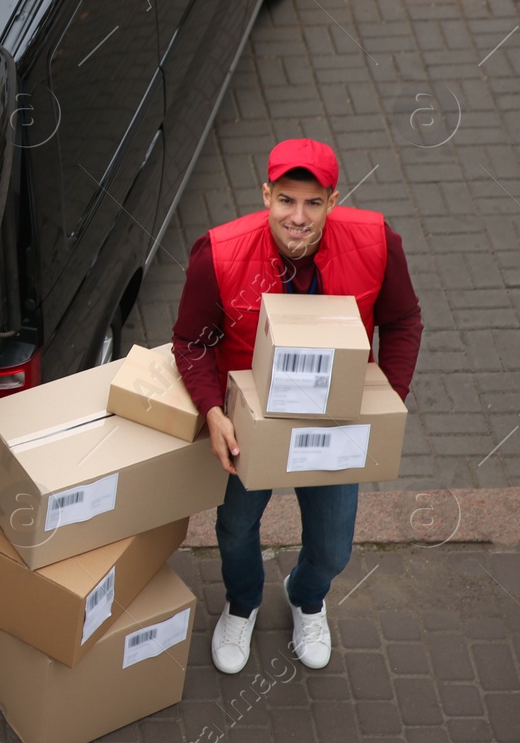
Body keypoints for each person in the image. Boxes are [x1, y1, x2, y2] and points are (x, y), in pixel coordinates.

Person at [171, 139, 422, 673]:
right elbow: (191, 341)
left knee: (333, 549)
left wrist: (387, 401)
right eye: (286, 200)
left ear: (333, 200)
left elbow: (403, 322)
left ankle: (307, 597)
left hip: (339, 418)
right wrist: (214, 411)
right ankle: (243, 604)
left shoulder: (378, 241)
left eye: (313, 203)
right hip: (252, 424)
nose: (299, 218)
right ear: (266, 194)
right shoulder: (218, 252)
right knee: (235, 530)